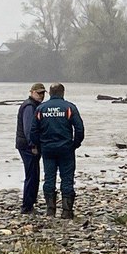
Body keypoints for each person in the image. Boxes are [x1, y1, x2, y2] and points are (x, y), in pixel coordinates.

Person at [30, 83, 84, 219]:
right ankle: (66, 211)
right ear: (63, 93)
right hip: (66, 148)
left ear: (49, 93)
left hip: (47, 149)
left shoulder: (41, 109)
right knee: (67, 179)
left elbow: (33, 131)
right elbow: (79, 129)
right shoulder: (70, 108)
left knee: (49, 178)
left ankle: (50, 210)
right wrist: (75, 144)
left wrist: (39, 145)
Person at [16, 83, 46, 214]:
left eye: (43, 93)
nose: (41, 95)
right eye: (39, 93)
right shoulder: (29, 106)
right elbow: (28, 129)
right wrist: (33, 145)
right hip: (27, 146)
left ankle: (31, 202)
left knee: (34, 174)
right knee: (31, 175)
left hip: (30, 145)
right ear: (32, 92)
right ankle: (26, 206)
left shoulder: (35, 106)